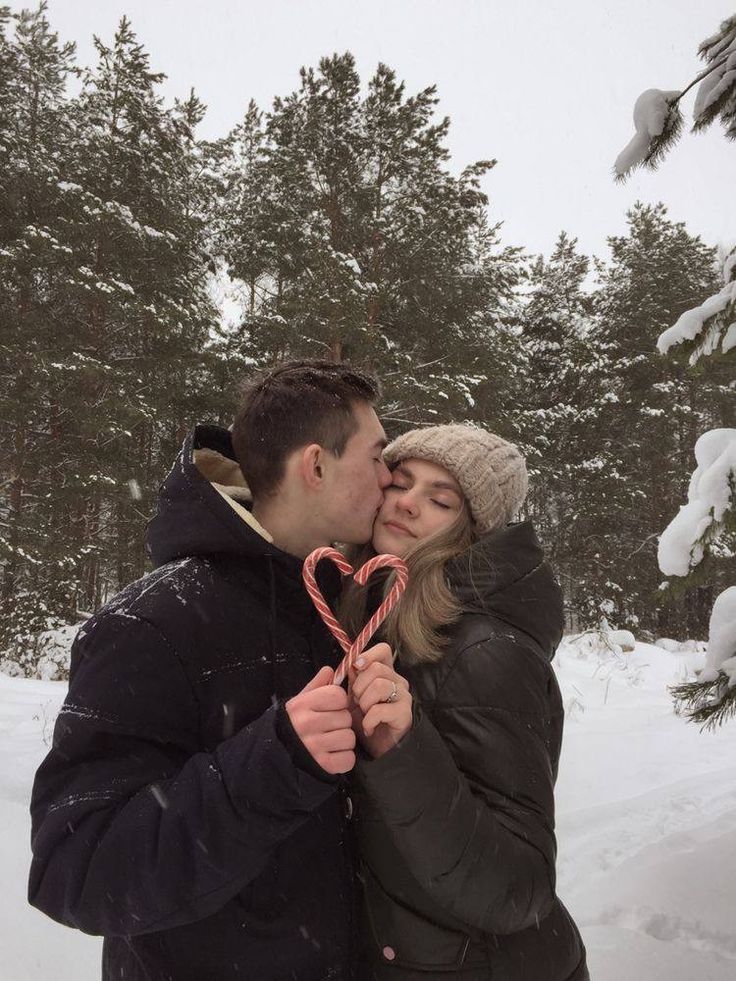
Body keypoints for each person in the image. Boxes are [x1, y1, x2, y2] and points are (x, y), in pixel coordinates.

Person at [28, 360, 393, 981]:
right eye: (379, 456)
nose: (391, 478)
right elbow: (77, 870)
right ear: (316, 466)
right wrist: (277, 761)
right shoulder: (151, 624)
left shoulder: (345, 608)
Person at [342, 423, 589, 980]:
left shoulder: (484, 654)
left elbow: (519, 889)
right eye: (400, 483)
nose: (406, 504)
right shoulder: (371, 617)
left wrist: (402, 750)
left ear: (471, 531)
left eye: (440, 499)